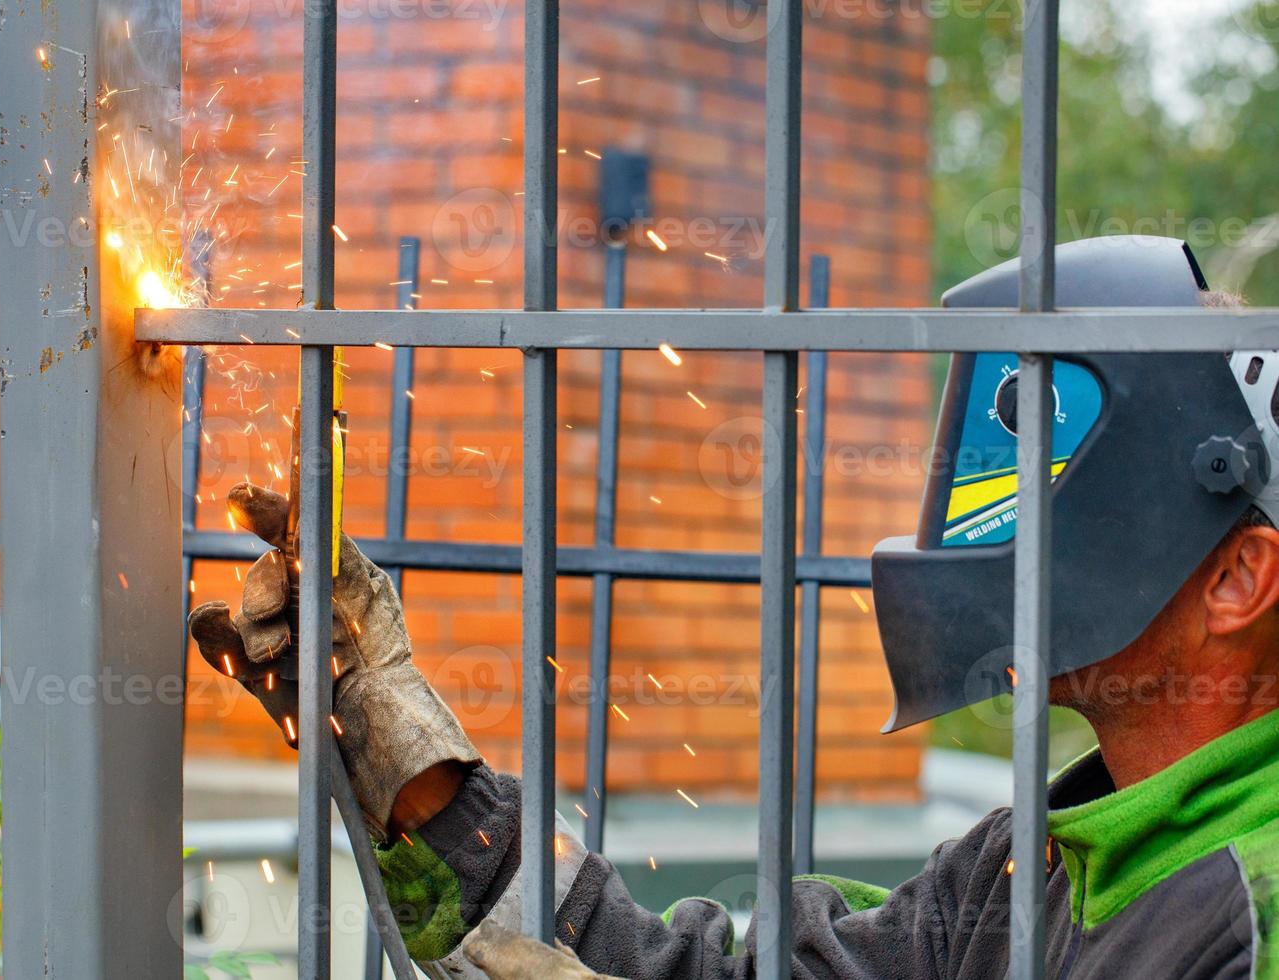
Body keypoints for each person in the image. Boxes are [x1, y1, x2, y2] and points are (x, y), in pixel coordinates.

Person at [190, 235, 1279, 978]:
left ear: (1236, 580)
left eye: (1054, 470)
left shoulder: (1250, 904)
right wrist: (402, 747)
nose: (992, 529)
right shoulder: (1024, 864)